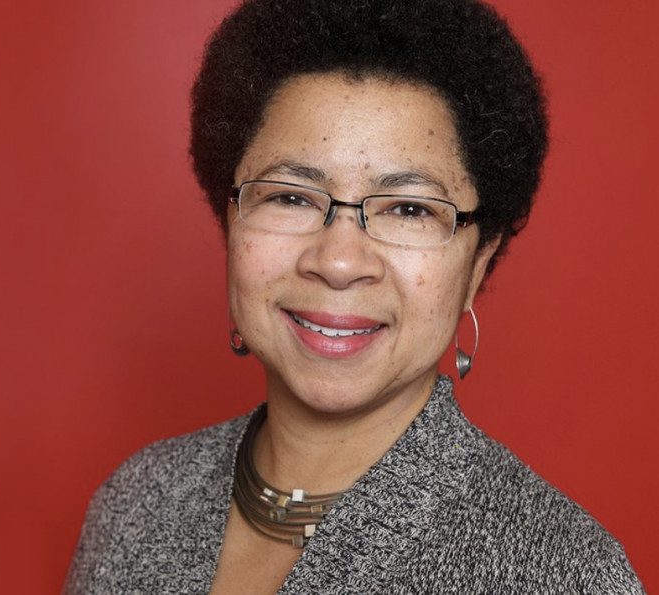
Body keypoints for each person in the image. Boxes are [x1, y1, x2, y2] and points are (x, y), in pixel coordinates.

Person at [62, 0, 644, 593]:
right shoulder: (134, 505)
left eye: (411, 208)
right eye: (290, 196)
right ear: (230, 224)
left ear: (476, 263)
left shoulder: (561, 573)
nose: (339, 262)